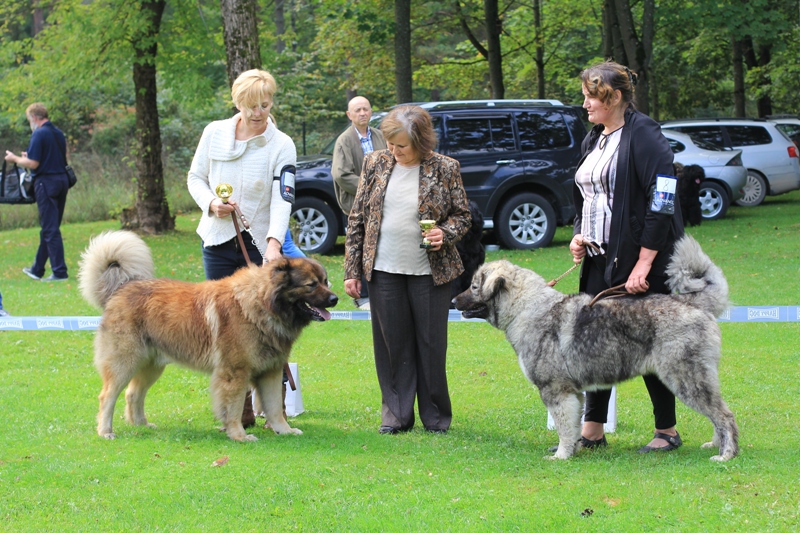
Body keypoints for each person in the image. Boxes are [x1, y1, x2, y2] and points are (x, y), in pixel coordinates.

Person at [569, 61, 685, 453]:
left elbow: (664, 196)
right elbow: (587, 197)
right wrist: (578, 235)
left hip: (639, 263)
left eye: (591, 96)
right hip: (600, 260)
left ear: (615, 97)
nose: (585, 104)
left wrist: (645, 263)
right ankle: (593, 430)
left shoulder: (644, 134)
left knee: (648, 343)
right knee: (597, 343)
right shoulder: (594, 138)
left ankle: (666, 430)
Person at [344, 105, 471, 434]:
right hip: (384, 269)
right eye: (390, 144)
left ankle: (436, 417)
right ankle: (396, 416)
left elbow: (463, 216)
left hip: (431, 272)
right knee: (392, 345)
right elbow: (357, 218)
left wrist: (446, 232)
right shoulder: (374, 163)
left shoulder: (445, 168)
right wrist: (352, 270)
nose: (394, 151)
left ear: (422, 142)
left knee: (431, 344)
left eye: (402, 146)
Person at [187, 68, 297, 426]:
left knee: (272, 327)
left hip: (261, 245)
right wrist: (210, 204)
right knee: (228, 332)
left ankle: (274, 409)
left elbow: (283, 199)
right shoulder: (214, 133)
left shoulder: (282, 144)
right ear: (237, 102)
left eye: (265, 105)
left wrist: (274, 244)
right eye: (251, 106)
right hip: (218, 240)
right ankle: (239, 411)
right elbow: (195, 177)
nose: (258, 113)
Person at [332, 96, 387, 310]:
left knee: (380, 246)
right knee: (359, 245)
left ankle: (380, 291)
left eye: (365, 109)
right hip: (357, 205)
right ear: (349, 115)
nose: (362, 113)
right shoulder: (344, 141)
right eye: (357, 110)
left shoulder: (381, 136)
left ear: (371, 111)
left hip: (383, 204)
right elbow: (341, 174)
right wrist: (370, 189)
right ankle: (362, 294)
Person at [5, 103, 70, 282]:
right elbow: (61, 156)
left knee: (50, 229)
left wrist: (15, 159)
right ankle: (37, 269)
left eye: (29, 120)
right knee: (51, 227)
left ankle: (59, 272)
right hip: (62, 181)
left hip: (46, 183)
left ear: (34, 117)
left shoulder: (39, 133)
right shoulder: (58, 133)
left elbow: (33, 164)